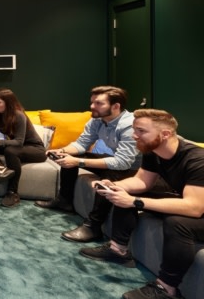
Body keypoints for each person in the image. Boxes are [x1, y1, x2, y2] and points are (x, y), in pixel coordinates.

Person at [79, 109, 204, 299]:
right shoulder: (153, 150)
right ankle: (118, 250)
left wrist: (136, 202)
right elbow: (142, 182)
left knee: (178, 223)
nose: (134, 135)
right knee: (123, 192)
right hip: (195, 203)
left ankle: (167, 289)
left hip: (198, 208)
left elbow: (194, 208)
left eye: (141, 131)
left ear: (165, 134)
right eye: (134, 129)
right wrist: (115, 186)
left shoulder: (197, 160)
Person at [35, 85, 141, 242]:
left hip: (137, 170)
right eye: (92, 102)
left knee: (110, 175)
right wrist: (62, 151)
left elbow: (123, 163)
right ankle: (64, 201)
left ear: (116, 106)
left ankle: (93, 227)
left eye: (98, 103)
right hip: (118, 162)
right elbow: (81, 144)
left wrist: (79, 162)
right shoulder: (97, 120)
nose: (92, 106)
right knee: (69, 156)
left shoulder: (129, 125)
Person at [0, 88, 46, 208]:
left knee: (10, 151)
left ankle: (12, 193)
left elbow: (19, 142)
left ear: (8, 103)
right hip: (15, 146)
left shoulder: (19, 115)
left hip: (35, 149)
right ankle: (0, 168)